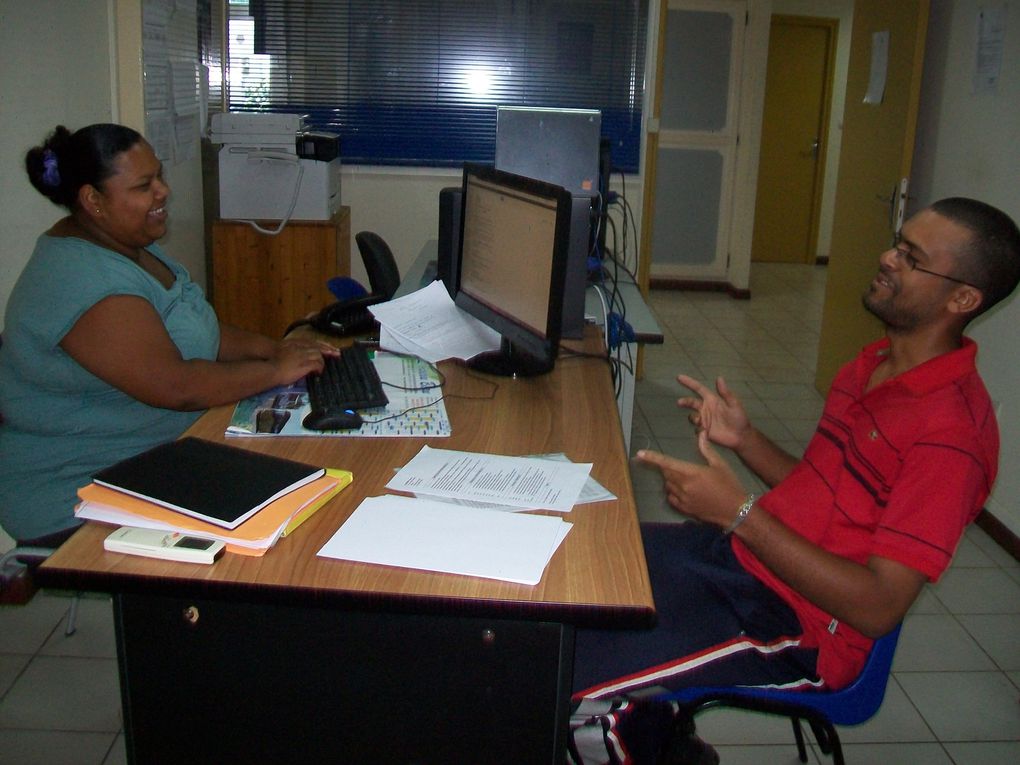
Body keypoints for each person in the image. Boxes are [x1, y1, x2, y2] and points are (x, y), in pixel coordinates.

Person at [569, 198, 1020, 763]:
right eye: (896, 243)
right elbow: (825, 491)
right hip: (740, 559)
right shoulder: (875, 363)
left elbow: (879, 606)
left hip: (795, 628)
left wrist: (739, 513)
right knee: (579, 566)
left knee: (557, 668)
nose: (886, 257)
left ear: (962, 299)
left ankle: (649, 737)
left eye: (911, 257)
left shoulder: (951, 437)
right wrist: (746, 439)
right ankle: (661, 727)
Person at [0, 123, 337, 548]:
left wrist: (279, 349)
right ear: (93, 200)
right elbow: (175, 386)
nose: (162, 192)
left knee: (310, 478)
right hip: (82, 489)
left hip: (159, 458)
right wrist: (273, 371)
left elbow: (200, 331)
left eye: (158, 176)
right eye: (144, 186)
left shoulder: (129, 246)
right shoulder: (81, 279)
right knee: (292, 528)